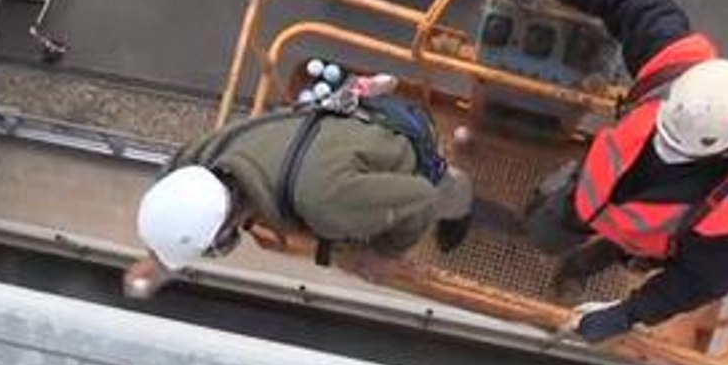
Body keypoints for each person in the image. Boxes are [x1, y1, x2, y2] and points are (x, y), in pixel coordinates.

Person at [496, 0, 728, 344]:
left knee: (613, 252)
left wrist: (628, 314)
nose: (663, 148)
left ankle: (577, 269)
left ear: (724, 147)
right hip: (587, 196)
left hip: (643, 236)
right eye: (664, 134)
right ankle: (552, 234)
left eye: (677, 147)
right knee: (546, 230)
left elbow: (698, 281)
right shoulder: (677, 70)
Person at [123, 75, 473, 299]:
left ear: (226, 230)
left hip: (402, 143)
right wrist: (160, 260)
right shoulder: (209, 157)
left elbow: (421, 197)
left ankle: (463, 205)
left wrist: (384, 254)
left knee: (450, 196)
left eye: (209, 250)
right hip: (349, 125)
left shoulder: (328, 206)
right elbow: (177, 195)